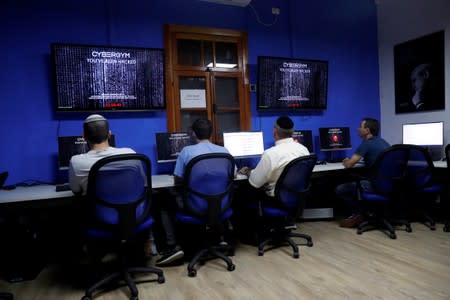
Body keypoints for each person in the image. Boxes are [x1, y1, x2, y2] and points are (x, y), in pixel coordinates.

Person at [154, 118, 229, 267]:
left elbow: (177, 180)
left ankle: (172, 247)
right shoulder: (224, 151)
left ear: (193, 134)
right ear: (211, 133)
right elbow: (231, 175)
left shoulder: (187, 151)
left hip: (195, 206)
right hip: (221, 204)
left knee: (163, 200)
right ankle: (221, 238)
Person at [335, 117, 390, 228]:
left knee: (340, 189)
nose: (358, 129)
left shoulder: (367, 144)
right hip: (389, 184)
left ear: (367, 130)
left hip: (375, 185)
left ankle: (357, 214)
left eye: (361, 126)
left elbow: (349, 165)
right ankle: (367, 213)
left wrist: (345, 160)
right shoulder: (384, 142)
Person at [238, 116, 310, 198]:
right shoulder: (304, 149)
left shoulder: (270, 154)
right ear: (292, 132)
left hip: (276, 201)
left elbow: (255, 183)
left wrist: (247, 171)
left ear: (274, 131)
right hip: (297, 198)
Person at [69, 114, 136, 195]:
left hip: (98, 207)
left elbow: (76, 190)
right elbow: (142, 181)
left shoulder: (76, 162)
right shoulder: (130, 154)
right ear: (109, 134)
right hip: (132, 206)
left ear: (84, 137)